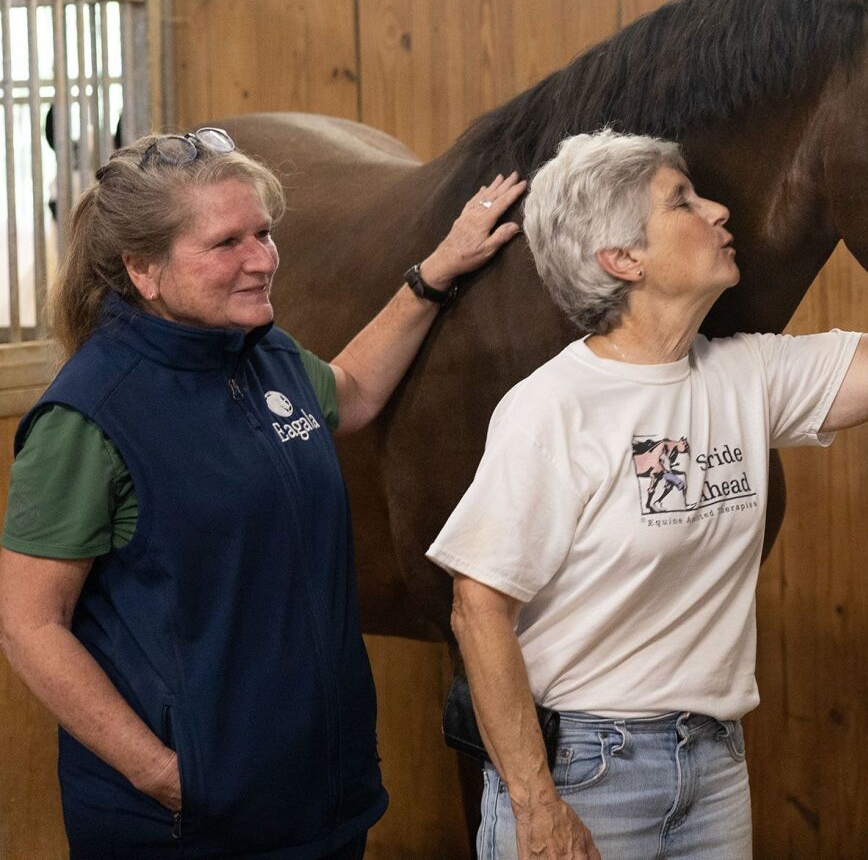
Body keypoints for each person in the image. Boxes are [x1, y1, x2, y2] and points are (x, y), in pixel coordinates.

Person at [0, 127, 526, 859]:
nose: (263, 259)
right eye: (226, 243)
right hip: (190, 826)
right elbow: (28, 623)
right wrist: (166, 775)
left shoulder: (259, 351)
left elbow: (354, 389)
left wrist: (436, 271)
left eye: (264, 232)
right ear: (143, 270)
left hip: (320, 799)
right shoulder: (87, 417)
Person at [427, 128, 868, 860]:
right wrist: (535, 804)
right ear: (622, 258)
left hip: (712, 763)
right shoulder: (552, 406)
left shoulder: (748, 373)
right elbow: (476, 605)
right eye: (684, 201)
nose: (719, 211)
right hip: (583, 767)